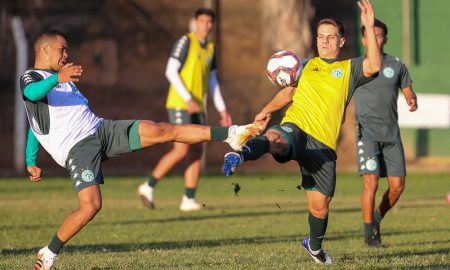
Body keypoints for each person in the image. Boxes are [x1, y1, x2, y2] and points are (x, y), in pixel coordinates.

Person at [23, 30, 256, 270]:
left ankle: (231, 135)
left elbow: (36, 121)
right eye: (63, 49)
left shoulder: (58, 78)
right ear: (45, 49)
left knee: (162, 130)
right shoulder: (32, 77)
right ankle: (48, 252)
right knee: (91, 207)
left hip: (102, 129)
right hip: (77, 147)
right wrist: (31, 156)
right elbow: (32, 99)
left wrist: (31, 158)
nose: (66, 54)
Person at [221, 0, 381, 264]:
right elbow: (288, 92)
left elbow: (374, 65)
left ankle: (314, 246)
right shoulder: (305, 66)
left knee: (320, 206)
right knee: (277, 139)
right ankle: (241, 155)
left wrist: (369, 26)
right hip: (296, 128)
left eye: (331, 38)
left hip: (323, 147)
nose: (325, 42)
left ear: (342, 42)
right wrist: (266, 111)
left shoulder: (349, 70)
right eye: (321, 37)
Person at [138, 7, 232, 211]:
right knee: (181, 149)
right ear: (195, 22)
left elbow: (213, 81)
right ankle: (148, 186)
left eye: (209, 22)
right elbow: (170, 71)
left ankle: (188, 199)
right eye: (202, 21)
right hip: (181, 104)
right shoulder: (185, 42)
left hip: (198, 107)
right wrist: (188, 97)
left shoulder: (211, 48)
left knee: (198, 150)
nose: (206, 25)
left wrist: (222, 110)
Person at [354, 19, 417, 248]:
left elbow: (408, 88)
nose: (375, 39)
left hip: (391, 134)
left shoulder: (396, 64)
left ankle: (377, 218)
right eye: (371, 34)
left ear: (385, 38)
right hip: (366, 133)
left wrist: (411, 99)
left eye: (379, 35)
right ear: (364, 39)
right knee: (370, 183)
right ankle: (370, 236)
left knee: (397, 186)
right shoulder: (356, 66)